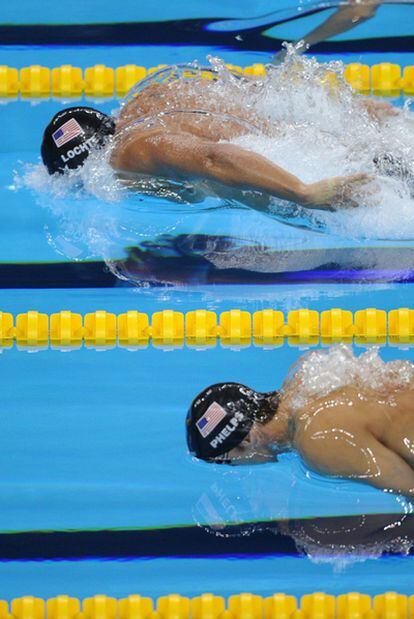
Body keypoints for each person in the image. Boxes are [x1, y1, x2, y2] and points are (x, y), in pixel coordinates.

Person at [40, 64, 400, 212]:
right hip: (331, 135)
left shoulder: (130, 150)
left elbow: (214, 158)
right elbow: (254, 88)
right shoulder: (149, 95)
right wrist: (359, 108)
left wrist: (305, 193)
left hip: (318, 165)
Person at [186, 371, 414, 499]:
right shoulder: (303, 381)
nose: (239, 468)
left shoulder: (317, 438)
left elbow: (409, 487)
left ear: (247, 440)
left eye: (231, 462)